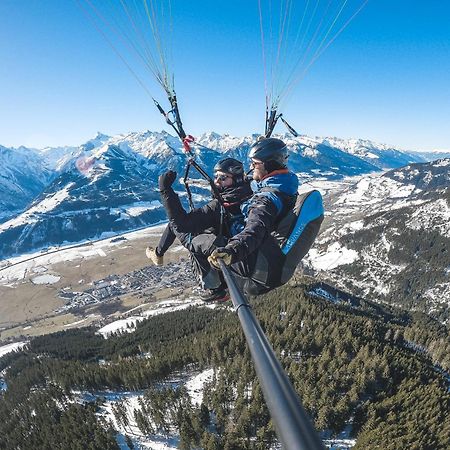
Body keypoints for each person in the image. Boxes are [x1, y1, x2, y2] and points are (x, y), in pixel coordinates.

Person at [207, 137, 299, 296]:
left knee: (198, 234)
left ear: (269, 164)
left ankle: (215, 287)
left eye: (255, 164)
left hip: (253, 258)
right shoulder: (283, 182)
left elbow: (255, 229)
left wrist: (232, 251)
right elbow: (253, 182)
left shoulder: (266, 200)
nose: (250, 167)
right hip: (266, 250)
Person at [156, 158, 253, 301]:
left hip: (228, 255)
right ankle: (158, 253)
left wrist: (166, 191)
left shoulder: (221, 205)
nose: (217, 182)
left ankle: (214, 288)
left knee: (185, 234)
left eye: (223, 178)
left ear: (236, 179)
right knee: (177, 226)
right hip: (240, 251)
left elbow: (181, 224)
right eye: (216, 177)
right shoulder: (249, 191)